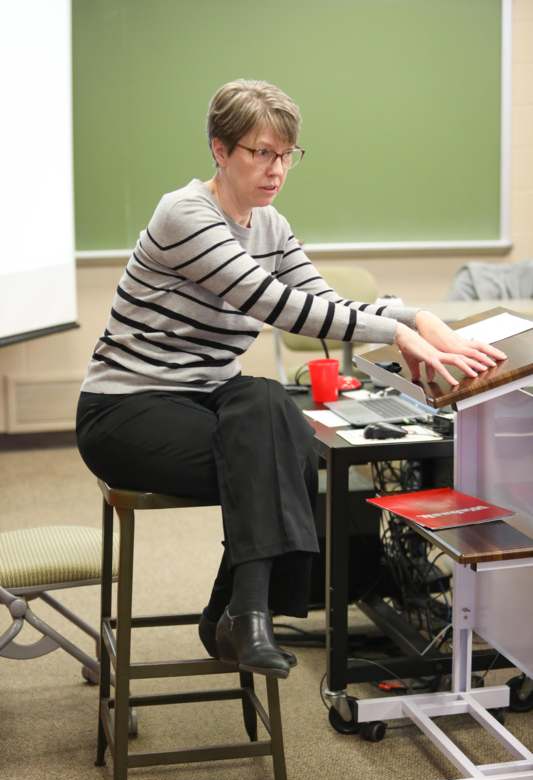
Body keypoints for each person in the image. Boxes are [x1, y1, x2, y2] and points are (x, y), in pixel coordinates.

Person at [76, 79, 506, 680]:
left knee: (266, 399)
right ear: (219, 150)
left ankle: (241, 614)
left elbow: (323, 299)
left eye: (286, 155)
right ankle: (237, 613)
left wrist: (419, 317)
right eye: (260, 152)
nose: (276, 169)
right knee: (279, 454)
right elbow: (275, 304)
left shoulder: (270, 225)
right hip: (126, 409)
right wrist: (398, 335)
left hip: (207, 400)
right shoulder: (185, 214)